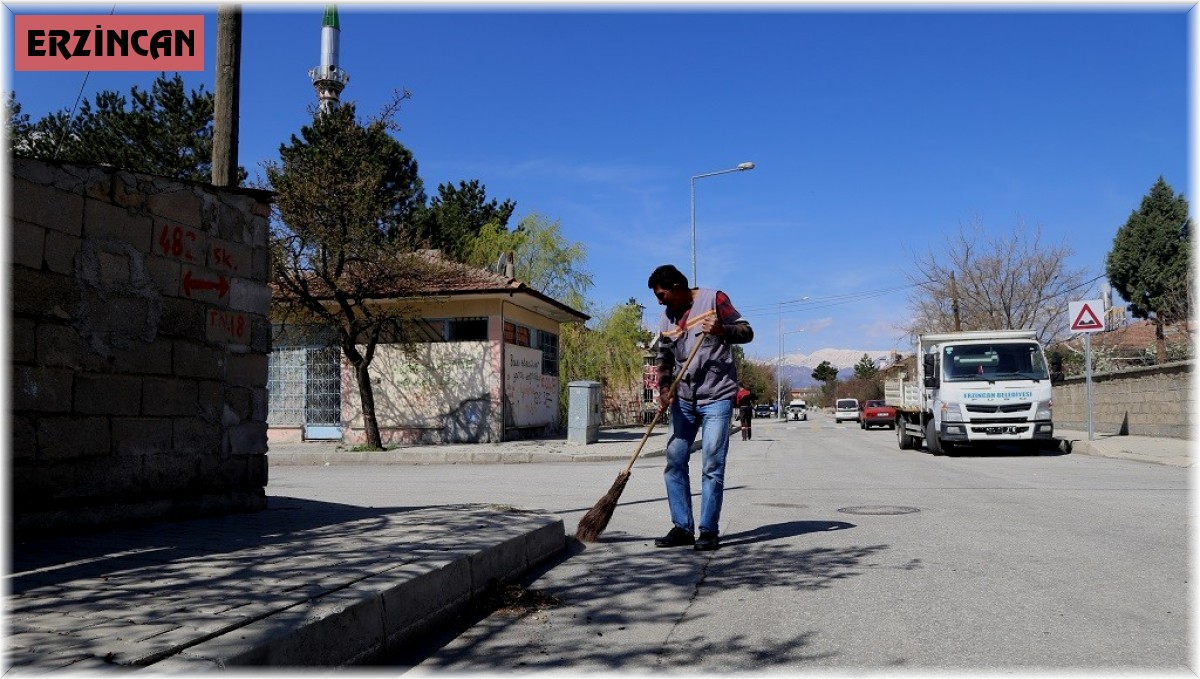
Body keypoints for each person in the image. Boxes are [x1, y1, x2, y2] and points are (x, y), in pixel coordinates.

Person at [647, 264, 753, 552]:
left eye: (662, 295)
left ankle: (708, 531)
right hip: (683, 399)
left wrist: (722, 329)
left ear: (678, 289)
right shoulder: (666, 318)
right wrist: (665, 389)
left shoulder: (714, 299)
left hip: (716, 397)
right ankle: (682, 527)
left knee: (712, 465)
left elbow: (747, 331)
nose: (659, 301)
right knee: (675, 460)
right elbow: (664, 356)